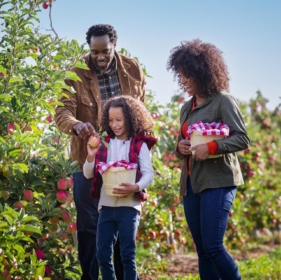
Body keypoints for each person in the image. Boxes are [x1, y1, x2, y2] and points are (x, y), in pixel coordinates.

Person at [54, 24, 146, 280]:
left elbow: (141, 113)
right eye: (94, 52)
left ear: (114, 45)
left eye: (105, 51)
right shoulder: (76, 73)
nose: (100, 57)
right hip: (89, 159)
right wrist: (77, 125)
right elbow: (61, 112)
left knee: (122, 224)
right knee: (89, 226)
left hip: (124, 162)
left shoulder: (132, 69)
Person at [167, 39, 250, 280]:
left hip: (218, 181)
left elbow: (242, 139)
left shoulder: (223, 100)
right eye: (181, 76)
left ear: (203, 73)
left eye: (188, 76)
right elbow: (183, 145)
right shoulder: (186, 108)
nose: (184, 82)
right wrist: (180, 147)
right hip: (192, 184)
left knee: (213, 246)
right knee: (203, 251)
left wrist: (212, 147)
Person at [83, 96, 157, 280]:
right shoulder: (104, 144)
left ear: (130, 119)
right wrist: (91, 156)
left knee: (127, 255)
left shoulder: (139, 145)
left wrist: (135, 187)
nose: (114, 124)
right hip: (107, 206)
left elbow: (149, 174)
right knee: (102, 255)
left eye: (119, 120)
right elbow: (87, 174)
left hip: (129, 207)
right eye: (110, 120)